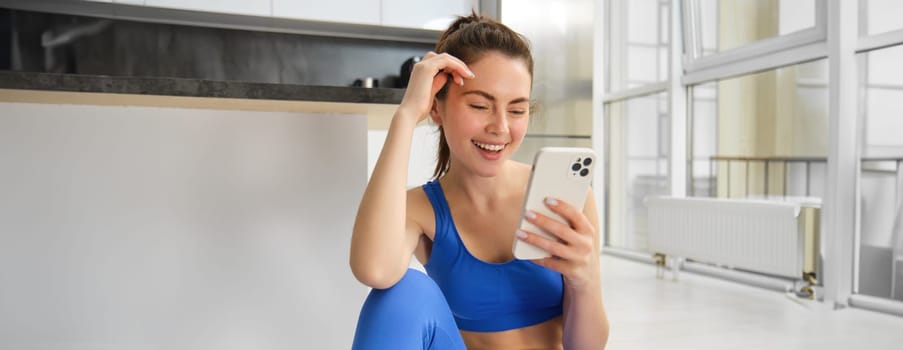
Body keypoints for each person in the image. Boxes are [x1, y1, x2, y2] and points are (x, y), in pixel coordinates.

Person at [349, 13, 609, 350]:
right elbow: (374, 270)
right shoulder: (421, 209)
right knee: (404, 292)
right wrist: (405, 116)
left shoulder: (568, 201)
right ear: (437, 109)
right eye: (480, 105)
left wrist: (584, 280)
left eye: (516, 110)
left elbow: (587, 348)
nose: (500, 127)